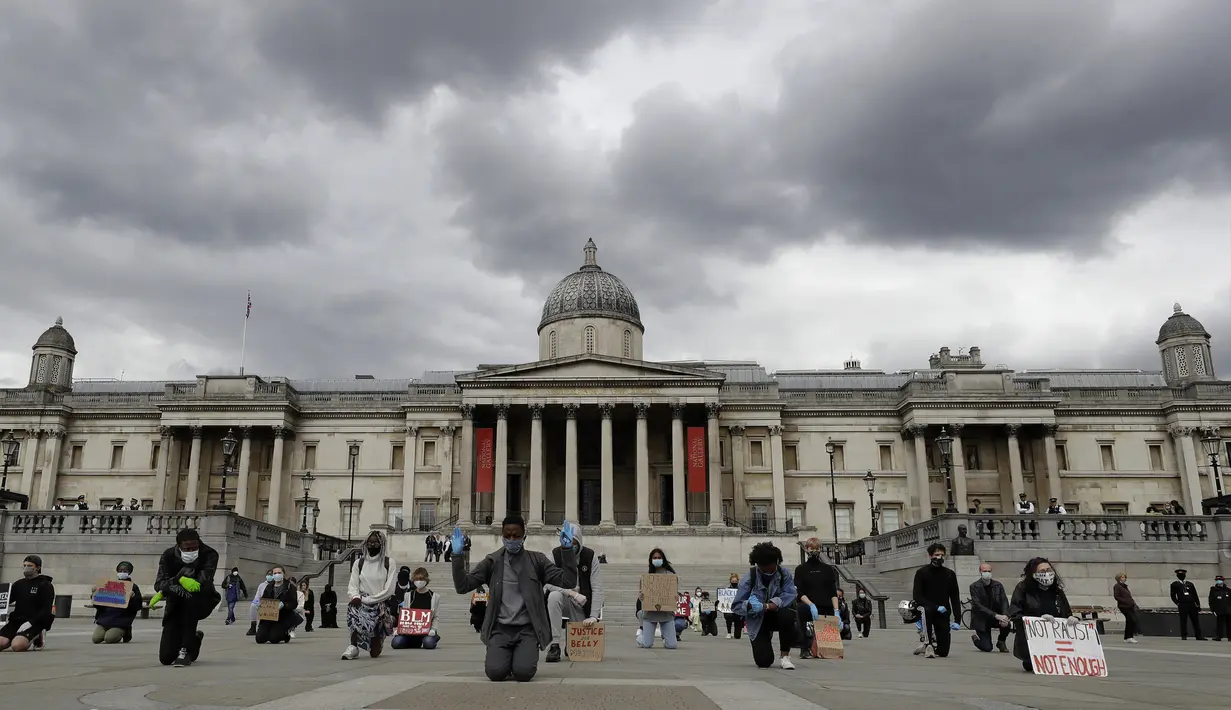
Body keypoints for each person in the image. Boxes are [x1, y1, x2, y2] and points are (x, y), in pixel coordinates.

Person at [451, 516, 578, 682]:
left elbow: (568, 581)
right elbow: (463, 586)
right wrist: (457, 555)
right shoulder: (492, 561)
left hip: (527, 629)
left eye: (516, 536)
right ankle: (506, 658)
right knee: (495, 673)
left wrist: (567, 550)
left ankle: (519, 658)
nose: (511, 540)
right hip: (500, 629)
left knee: (524, 673)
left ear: (524, 536)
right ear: (502, 536)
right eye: (507, 535)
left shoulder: (537, 560)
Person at [154, 528, 220, 666]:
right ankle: (195, 639)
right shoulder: (168, 555)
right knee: (166, 658)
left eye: (195, 547)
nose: (191, 551)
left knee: (191, 599)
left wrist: (190, 580)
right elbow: (159, 584)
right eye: (187, 548)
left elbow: (203, 580)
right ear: (179, 546)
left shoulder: (209, 553)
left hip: (199, 599)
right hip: (175, 599)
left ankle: (185, 648)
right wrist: (178, 579)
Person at [733, 542, 797, 670]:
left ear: (777, 562)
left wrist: (770, 604)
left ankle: (785, 655)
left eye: (771, 567)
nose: (768, 571)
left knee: (787, 614)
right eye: (764, 568)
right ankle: (764, 640)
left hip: (778, 614)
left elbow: (790, 594)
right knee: (764, 661)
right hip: (758, 619)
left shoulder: (784, 574)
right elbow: (736, 606)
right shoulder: (749, 578)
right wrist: (750, 606)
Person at [1009, 557, 1079, 672]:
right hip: (1033, 641)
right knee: (1032, 665)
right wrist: (1038, 621)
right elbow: (1015, 614)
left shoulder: (1057, 591)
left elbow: (1066, 613)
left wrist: (1073, 618)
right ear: (1033, 574)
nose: (1047, 574)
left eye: (1049, 570)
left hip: (1056, 639)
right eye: (1042, 571)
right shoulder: (1023, 589)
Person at [545, 522, 602, 663]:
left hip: (581, 602)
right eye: (569, 543)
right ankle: (555, 644)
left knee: (577, 647)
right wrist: (572, 593)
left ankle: (570, 645)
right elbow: (548, 583)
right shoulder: (556, 554)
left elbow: (597, 587)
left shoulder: (589, 557)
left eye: (574, 543)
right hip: (564, 598)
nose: (571, 546)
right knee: (554, 596)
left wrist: (594, 616)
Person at [342, 531, 399, 660]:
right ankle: (353, 646)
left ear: (381, 544)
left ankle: (377, 638)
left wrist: (370, 600)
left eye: (375, 543)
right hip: (361, 601)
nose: (372, 545)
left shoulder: (389, 563)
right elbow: (353, 584)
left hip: (379, 603)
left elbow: (389, 590)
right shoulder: (359, 563)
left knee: (374, 653)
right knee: (353, 609)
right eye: (369, 542)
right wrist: (355, 596)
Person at [911, 542, 961, 659]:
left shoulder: (949, 574)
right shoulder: (922, 573)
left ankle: (930, 646)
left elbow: (954, 597)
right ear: (930, 556)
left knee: (943, 652)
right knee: (926, 611)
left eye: (942, 555)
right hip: (927, 608)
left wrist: (957, 620)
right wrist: (935, 607)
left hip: (943, 611)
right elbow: (917, 596)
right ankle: (928, 644)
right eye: (937, 554)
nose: (940, 557)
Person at [793, 537, 840, 659]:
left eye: (817, 548)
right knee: (802, 611)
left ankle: (824, 646)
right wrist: (811, 604)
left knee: (827, 650)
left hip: (825, 605)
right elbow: (800, 592)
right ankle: (805, 647)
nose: (814, 551)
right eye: (811, 548)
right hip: (808, 604)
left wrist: (837, 611)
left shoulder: (828, 569)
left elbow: (833, 592)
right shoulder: (801, 569)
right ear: (806, 549)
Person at [0, 555, 55, 652]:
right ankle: (15, 636)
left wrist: (31, 623)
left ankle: (38, 635)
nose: (26, 568)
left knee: (17, 646)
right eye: (24, 565)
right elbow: (7, 600)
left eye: (29, 565)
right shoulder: (19, 584)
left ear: (37, 568)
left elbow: (46, 609)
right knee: (1, 643)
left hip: (34, 621)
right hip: (16, 620)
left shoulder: (45, 585)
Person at [635, 548, 679, 649]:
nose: (657, 559)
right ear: (651, 560)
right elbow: (643, 598)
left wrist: (675, 597)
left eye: (659, 557)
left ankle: (666, 638)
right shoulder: (647, 577)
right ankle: (640, 636)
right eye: (655, 558)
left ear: (663, 559)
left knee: (672, 645)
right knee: (647, 644)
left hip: (666, 614)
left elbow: (674, 594)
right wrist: (642, 597)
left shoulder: (671, 576)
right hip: (650, 614)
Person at [92, 560, 143, 644]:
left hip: (120, 621)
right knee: (96, 639)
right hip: (105, 619)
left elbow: (137, 606)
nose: (122, 572)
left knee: (109, 639)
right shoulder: (109, 585)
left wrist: (132, 598)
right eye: (120, 571)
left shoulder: (133, 587)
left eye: (125, 571)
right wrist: (95, 594)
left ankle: (125, 631)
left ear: (129, 572)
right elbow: (99, 604)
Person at [391, 567, 441, 649]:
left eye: (421, 579)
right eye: (416, 579)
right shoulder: (408, 595)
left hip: (426, 631)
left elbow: (436, 616)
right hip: (410, 631)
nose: (419, 582)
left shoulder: (434, 597)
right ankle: (413, 642)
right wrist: (399, 629)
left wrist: (433, 629)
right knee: (396, 643)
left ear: (426, 580)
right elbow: (404, 615)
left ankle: (434, 637)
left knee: (428, 644)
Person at [969, 562, 1010, 653]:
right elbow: (977, 605)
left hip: (995, 617)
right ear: (980, 571)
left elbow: (1004, 601)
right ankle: (976, 640)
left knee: (1007, 624)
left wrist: (1005, 615)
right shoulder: (974, 586)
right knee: (987, 648)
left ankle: (1001, 642)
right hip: (982, 619)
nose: (987, 573)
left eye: (989, 571)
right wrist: (995, 615)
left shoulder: (998, 585)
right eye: (985, 571)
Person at [255, 567, 299, 644]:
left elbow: (294, 604)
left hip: (282, 617)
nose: (277, 575)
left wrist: (284, 605)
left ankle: (285, 634)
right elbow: (264, 599)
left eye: (279, 573)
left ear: (283, 574)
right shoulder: (269, 587)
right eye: (275, 573)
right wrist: (260, 605)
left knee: (274, 639)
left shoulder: (289, 587)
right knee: (260, 639)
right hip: (269, 617)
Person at [1171, 568, 1206, 640]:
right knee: (1183, 620)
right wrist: (1177, 603)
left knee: (1195, 620)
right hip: (1182, 604)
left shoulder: (1190, 584)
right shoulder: (1175, 584)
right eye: (1180, 574)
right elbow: (1173, 595)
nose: (1181, 576)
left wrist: (1198, 604)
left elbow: (1195, 594)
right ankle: (1184, 635)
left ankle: (1198, 635)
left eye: (1182, 574)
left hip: (1192, 604)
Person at [1112, 572, 1141, 643]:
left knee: (1130, 621)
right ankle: (1129, 637)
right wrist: (1125, 601)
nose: (1123, 578)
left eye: (1124, 577)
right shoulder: (1117, 586)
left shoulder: (1124, 586)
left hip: (1129, 605)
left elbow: (1129, 597)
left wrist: (1133, 603)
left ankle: (1127, 637)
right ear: (1118, 578)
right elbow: (1117, 596)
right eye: (1122, 577)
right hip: (1124, 606)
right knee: (1131, 620)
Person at [247, 570, 274, 636]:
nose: (269, 576)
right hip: (263, 603)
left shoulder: (276, 584)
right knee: (253, 606)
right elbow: (257, 597)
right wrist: (256, 602)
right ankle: (253, 626)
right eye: (268, 574)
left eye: (271, 574)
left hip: (273, 604)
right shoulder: (262, 585)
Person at [722, 572, 744, 639]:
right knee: (729, 616)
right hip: (729, 610)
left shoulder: (741, 590)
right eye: (733, 581)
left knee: (737, 636)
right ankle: (729, 632)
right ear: (730, 581)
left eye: (735, 581)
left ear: (738, 581)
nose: (734, 582)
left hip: (738, 611)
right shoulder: (726, 590)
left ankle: (736, 632)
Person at [1210, 576, 1230, 642]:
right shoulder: (1213, 590)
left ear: (1223, 581)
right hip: (1219, 609)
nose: (1219, 581)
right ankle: (1218, 636)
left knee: (1229, 624)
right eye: (1217, 580)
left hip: (1228, 609)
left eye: (1220, 580)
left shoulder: (1228, 590)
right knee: (1219, 624)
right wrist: (1213, 609)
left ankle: (1230, 637)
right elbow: (1211, 600)